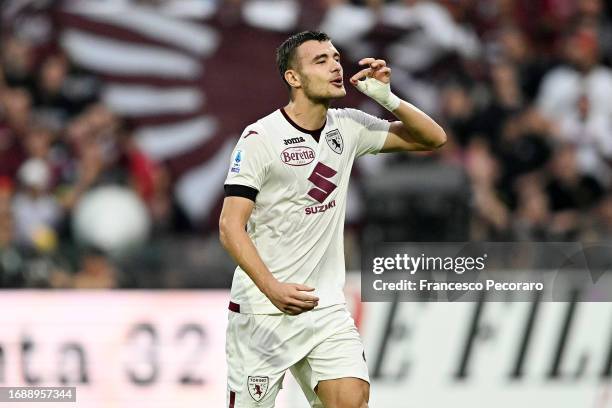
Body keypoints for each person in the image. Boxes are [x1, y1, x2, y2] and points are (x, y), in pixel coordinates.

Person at [219, 31, 446, 408]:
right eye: (320, 61)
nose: (335, 66)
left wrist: (386, 98)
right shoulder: (260, 137)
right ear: (294, 78)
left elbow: (432, 138)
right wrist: (273, 288)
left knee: (351, 399)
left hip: (324, 308)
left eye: (336, 57)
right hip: (262, 311)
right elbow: (230, 226)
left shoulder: (349, 126)